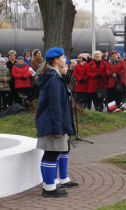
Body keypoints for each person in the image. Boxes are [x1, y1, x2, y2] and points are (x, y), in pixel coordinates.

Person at [36, 47, 78, 198]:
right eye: (62, 57)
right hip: (51, 123)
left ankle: (50, 184)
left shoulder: (55, 77)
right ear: (55, 60)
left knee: (51, 153)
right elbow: (54, 105)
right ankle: (49, 188)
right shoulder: (53, 79)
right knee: (51, 154)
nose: (65, 59)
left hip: (53, 122)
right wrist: (57, 127)